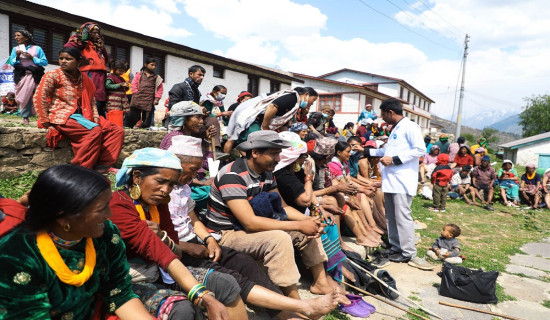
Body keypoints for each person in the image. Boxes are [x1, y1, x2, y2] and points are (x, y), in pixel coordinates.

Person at [199, 130, 344, 300]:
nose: (278, 159)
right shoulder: (232, 175)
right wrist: (298, 224)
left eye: (279, 153)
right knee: (279, 239)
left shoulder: (267, 173)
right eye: (274, 153)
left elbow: (282, 208)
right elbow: (250, 223)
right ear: (255, 152)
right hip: (225, 234)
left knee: (307, 229)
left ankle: (320, 283)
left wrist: (309, 220)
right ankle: (294, 302)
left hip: (247, 228)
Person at [0, 164, 155, 319]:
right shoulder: (17, 255)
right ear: (63, 217)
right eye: (101, 209)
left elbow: (119, 293)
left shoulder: (106, 234)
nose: (109, 214)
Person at [111, 148, 242, 319]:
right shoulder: (119, 205)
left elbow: (176, 252)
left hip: (160, 271)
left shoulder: (158, 204)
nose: (165, 190)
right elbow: (161, 253)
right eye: (160, 181)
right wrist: (203, 296)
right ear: (136, 176)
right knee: (181, 308)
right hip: (131, 280)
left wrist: (162, 236)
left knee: (225, 283)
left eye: (171, 184)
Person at [363, 98, 434, 270]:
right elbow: (386, 151)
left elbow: (420, 150)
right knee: (392, 216)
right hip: (392, 180)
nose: (382, 118)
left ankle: (408, 251)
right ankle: (396, 246)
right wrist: (365, 150)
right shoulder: (396, 129)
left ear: (391, 113)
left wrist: (394, 160)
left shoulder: (410, 127)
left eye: (383, 114)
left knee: (402, 216)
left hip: (402, 180)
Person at [273, 132, 349, 283]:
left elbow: (310, 197)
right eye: (302, 157)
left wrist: (319, 208)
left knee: (329, 220)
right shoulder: (283, 175)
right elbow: (305, 199)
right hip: (289, 214)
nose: (305, 160)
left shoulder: (295, 170)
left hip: (299, 212)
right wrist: (309, 179)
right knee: (320, 225)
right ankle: (327, 272)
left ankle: (334, 267)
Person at [33, 47, 124, 172]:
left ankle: (103, 166)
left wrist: (96, 117)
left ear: (78, 62)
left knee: (116, 131)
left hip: (84, 115)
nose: (63, 61)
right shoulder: (53, 75)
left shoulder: (85, 79)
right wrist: (45, 121)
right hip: (62, 115)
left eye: (68, 59)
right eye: (61, 58)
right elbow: (39, 97)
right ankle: (80, 170)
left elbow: (92, 101)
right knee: (94, 131)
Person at [160, 102, 218, 211]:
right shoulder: (175, 139)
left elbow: (206, 165)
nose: (201, 121)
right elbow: (174, 174)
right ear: (184, 119)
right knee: (214, 194)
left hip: (195, 183)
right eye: (197, 118)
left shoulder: (189, 138)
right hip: (181, 186)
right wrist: (202, 183)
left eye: (202, 118)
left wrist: (208, 141)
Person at [224, 87, 318, 152]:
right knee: (245, 142)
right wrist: (265, 127)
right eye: (313, 100)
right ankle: (225, 163)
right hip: (248, 113)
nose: (312, 104)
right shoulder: (292, 97)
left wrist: (287, 138)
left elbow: (283, 124)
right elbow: (272, 107)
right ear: (306, 94)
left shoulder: (295, 104)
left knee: (245, 142)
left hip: (256, 117)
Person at [65, 22, 109, 117]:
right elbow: (67, 47)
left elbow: (107, 59)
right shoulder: (81, 42)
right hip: (88, 72)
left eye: (98, 33)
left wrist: (102, 47)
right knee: (89, 94)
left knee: (100, 96)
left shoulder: (96, 45)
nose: (97, 35)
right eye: (94, 32)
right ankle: (86, 115)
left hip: (100, 74)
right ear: (86, 32)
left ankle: (96, 116)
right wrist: (82, 39)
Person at [8, 29, 48, 124]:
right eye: (15, 36)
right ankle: (25, 117)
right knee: (25, 95)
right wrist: (17, 57)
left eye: (18, 35)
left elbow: (44, 62)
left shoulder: (37, 48)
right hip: (22, 75)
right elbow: (11, 63)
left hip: (35, 75)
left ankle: (41, 116)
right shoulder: (15, 49)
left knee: (37, 95)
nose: (16, 37)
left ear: (26, 37)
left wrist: (32, 58)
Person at [125, 57, 163, 129]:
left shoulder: (157, 78)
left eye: (155, 65)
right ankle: (128, 128)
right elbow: (133, 84)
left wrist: (157, 99)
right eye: (152, 65)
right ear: (146, 64)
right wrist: (135, 93)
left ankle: (144, 128)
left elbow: (160, 89)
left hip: (149, 100)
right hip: (137, 98)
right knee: (133, 116)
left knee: (147, 120)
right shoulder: (139, 75)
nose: (154, 67)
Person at [105, 60, 130, 126]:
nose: (121, 72)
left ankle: (118, 125)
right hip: (113, 100)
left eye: (123, 71)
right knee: (113, 113)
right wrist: (119, 85)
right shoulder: (110, 77)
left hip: (120, 100)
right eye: (120, 70)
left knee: (120, 113)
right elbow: (107, 86)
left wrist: (126, 87)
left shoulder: (121, 78)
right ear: (114, 69)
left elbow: (124, 88)